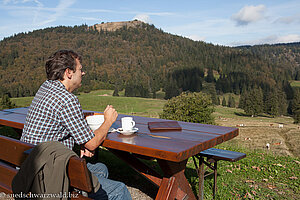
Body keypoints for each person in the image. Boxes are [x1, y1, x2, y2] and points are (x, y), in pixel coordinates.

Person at [21, 49, 131, 200]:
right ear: (69, 73)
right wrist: (108, 121)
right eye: (80, 69)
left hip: (30, 166)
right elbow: (92, 144)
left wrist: (79, 142)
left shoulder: (45, 88)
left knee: (100, 168)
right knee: (120, 189)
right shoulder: (67, 99)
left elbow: (59, 127)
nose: (83, 73)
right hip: (47, 176)